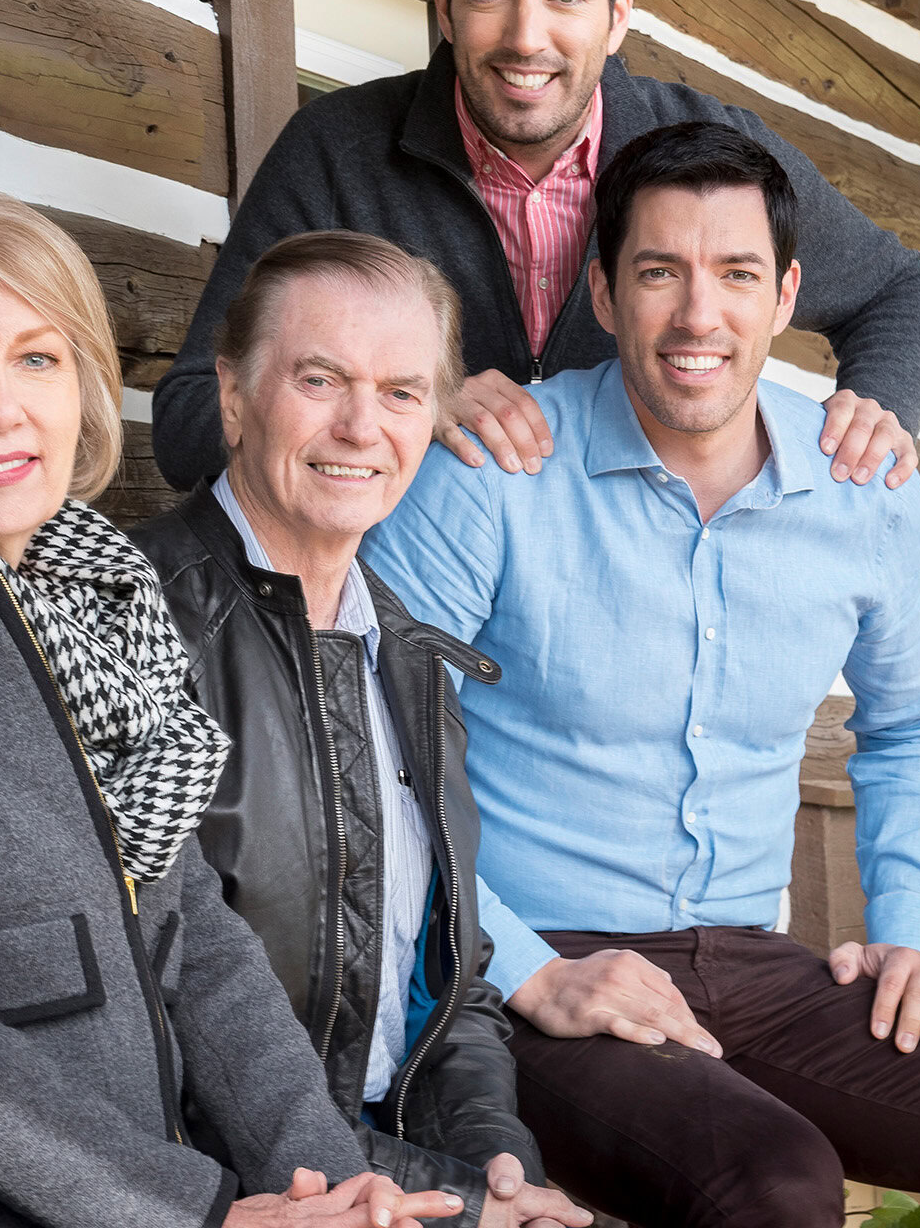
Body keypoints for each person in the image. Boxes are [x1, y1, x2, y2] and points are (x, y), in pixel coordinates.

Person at [0, 188, 521, 1228]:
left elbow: (196, 941)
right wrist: (203, 1210)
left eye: (38, 359)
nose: (2, 408)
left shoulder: (99, 603)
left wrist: (331, 1185)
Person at [362, 121, 920, 1226]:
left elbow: (916, 727)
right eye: (659, 272)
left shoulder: (866, 488)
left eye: (735, 275)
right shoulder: (498, 471)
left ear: (788, 297)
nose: (697, 315)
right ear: (603, 291)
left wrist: (916, 923)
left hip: (759, 962)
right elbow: (360, 742)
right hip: (536, 967)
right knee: (774, 1184)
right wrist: (522, 965)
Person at [152, 0, 920, 499]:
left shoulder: (718, 160)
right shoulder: (335, 150)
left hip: (616, 621)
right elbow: (191, 418)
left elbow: (906, 291)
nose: (526, 39)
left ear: (618, 13)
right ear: (445, 3)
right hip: (393, 623)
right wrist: (411, 405)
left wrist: (875, 409)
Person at [133, 233, 586, 1228]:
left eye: (401, 393)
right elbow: (162, 1015)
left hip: (394, 1157)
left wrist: (495, 1159)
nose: (358, 427)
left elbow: (451, 984)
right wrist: (462, 1206)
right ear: (237, 394)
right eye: (319, 378)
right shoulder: (134, 619)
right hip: (243, 1182)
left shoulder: (412, 655)